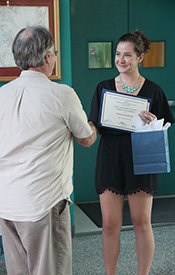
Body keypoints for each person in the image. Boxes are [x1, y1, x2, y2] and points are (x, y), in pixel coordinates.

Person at [0, 26, 97, 275]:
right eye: (53, 52)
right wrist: (93, 126)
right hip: (43, 204)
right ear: (47, 58)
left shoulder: (2, 95)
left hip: (7, 204)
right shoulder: (61, 94)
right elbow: (86, 139)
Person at [89, 30, 175, 275]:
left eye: (127, 55)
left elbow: (163, 129)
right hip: (110, 158)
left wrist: (152, 123)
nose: (121, 60)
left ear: (140, 58)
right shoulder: (102, 88)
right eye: (118, 54)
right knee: (109, 225)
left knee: (141, 223)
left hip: (142, 158)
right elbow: (94, 124)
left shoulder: (154, 91)